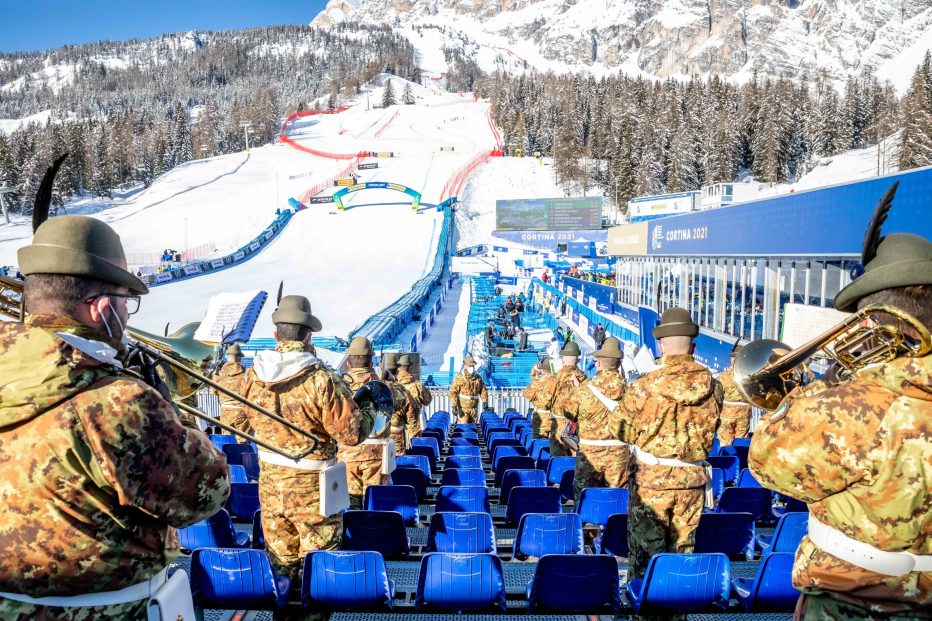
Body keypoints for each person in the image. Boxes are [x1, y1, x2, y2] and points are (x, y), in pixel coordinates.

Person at [0, 215, 230, 620]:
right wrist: (165, 405)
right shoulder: (119, 401)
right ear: (104, 309)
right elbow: (206, 493)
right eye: (127, 301)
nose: (128, 314)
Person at [748, 229, 932, 619]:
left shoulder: (840, 408)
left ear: (868, 320)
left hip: (850, 605)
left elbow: (764, 461)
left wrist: (818, 389)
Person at [239, 295, 374, 581]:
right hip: (315, 492)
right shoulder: (321, 379)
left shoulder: (252, 376)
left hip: (271, 487)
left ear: (276, 334)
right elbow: (351, 435)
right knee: (317, 570)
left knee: (280, 569)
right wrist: (369, 411)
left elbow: (242, 421)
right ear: (309, 335)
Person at [615, 307, 723, 586]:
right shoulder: (715, 387)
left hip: (652, 483)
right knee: (681, 558)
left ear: (661, 346)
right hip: (692, 483)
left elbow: (619, 430)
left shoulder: (643, 386)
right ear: (693, 347)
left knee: (646, 559)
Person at [563, 337, 629, 501]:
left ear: (598, 363)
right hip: (620, 455)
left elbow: (568, 413)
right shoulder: (633, 391)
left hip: (589, 455)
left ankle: (590, 527)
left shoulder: (584, 391)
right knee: (617, 502)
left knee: (586, 502)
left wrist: (576, 391)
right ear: (619, 364)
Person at [338, 336, 394, 509]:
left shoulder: (337, 386)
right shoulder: (385, 386)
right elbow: (404, 403)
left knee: (350, 507)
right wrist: (388, 380)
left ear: (349, 363)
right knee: (376, 507)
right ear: (371, 361)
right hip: (376, 456)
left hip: (347, 454)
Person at [535, 341, 587, 457]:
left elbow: (543, 402)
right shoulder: (585, 380)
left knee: (558, 463)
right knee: (575, 464)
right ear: (578, 359)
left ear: (562, 359)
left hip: (558, 427)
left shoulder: (553, 378)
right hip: (576, 429)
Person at [715, 344, 752, 446]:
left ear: (732, 359)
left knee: (725, 444)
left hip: (727, 414)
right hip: (745, 413)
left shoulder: (722, 377)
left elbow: (716, 397)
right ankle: (740, 460)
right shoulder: (750, 376)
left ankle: (728, 461)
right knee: (741, 442)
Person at [214, 342, 250, 439]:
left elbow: (215, 391)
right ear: (240, 357)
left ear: (228, 356)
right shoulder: (246, 374)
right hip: (241, 412)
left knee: (227, 441)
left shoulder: (219, 375)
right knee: (243, 443)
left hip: (225, 412)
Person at [396, 353, 432, 440]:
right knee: (415, 451)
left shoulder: (393, 384)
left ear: (398, 368)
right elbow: (428, 400)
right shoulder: (418, 385)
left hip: (396, 430)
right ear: (410, 368)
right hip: (414, 429)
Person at [449, 354, 488, 423]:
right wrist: (454, 406)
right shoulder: (459, 378)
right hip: (463, 409)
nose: (472, 367)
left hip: (474, 408)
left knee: (473, 429)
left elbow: (483, 389)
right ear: (465, 366)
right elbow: (453, 392)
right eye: (470, 366)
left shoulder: (477, 378)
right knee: (464, 428)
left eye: (473, 366)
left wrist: (484, 401)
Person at [524, 358, 554, 439]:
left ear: (542, 370)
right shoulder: (558, 381)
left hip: (540, 419)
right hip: (555, 419)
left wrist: (535, 372)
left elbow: (527, 394)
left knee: (540, 445)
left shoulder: (538, 382)